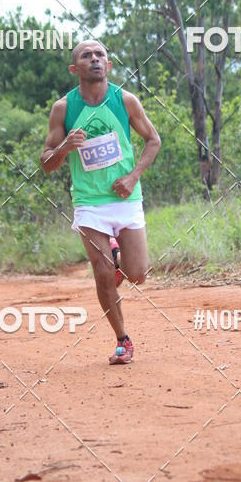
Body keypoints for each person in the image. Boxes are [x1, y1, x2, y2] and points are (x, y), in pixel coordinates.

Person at [41, 39, 161, 365]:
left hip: (125, 197)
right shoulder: (63, 109)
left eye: (100, 55)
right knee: (103, 272)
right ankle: (123, 339)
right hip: (89, 202)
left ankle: (118, 254)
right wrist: (65, 147)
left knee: (137, 275)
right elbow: (47, 162)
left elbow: (153, 140)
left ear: (108, 65)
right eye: (86, 55)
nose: (94, 59)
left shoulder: (125, 100)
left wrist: (133, 176)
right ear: (74, 68)